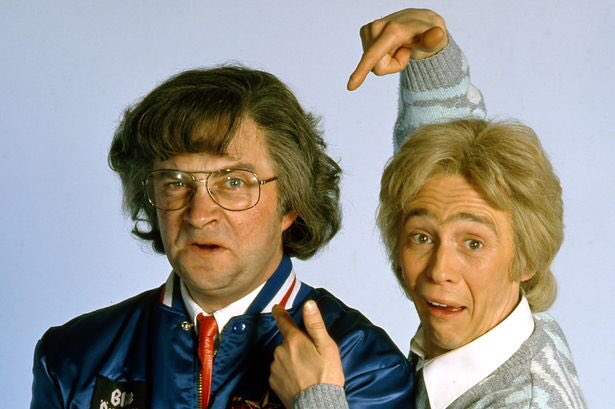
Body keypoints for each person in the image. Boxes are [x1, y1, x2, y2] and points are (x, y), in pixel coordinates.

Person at [29, 8, 484, 409]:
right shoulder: (73, 356)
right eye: (176, 183)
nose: (199, 214)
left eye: (234, 183)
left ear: (291, 204)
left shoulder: (363, 363)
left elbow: (459, 185)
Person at [270, 119, 587, 408]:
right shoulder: (506, 329)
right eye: (421, 237)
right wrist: (429, 72)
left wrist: (314, 399)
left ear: (528, 259)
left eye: (473, 244)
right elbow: (445, 172)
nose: (439, 271)